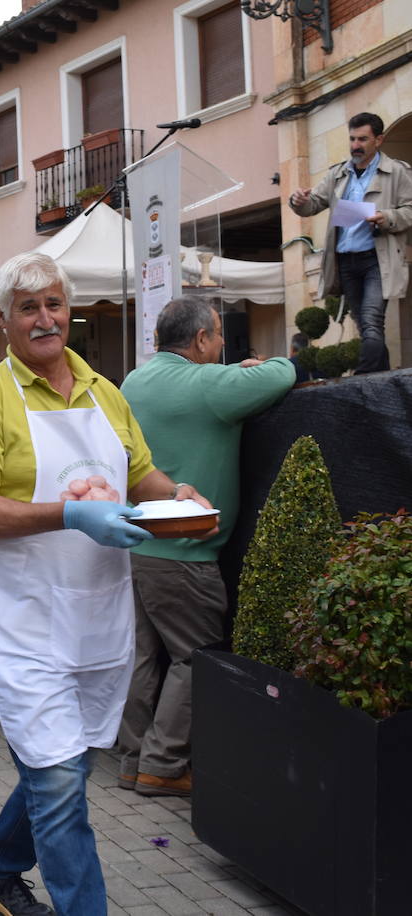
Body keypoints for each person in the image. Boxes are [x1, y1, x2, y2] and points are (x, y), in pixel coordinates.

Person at [0, 253, 213, 916]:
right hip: (18, 619)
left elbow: (139, 471)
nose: (44, 318)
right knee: (61, 777)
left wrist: (177, 497)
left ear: (70, 312)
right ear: (3, 320)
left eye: (54, 304)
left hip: (94, 611)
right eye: (28, 307)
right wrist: (69, 512)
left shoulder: (103, 391)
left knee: (59, 767)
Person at [118, 299, 295, 798]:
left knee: (144, 657)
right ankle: (163, 764)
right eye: (218, 337)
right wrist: (257, 365)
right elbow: (283, 373)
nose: (222, 347)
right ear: (199, 341)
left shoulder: (136, 381)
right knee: (195, 658)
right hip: (188, 557)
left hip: (142, 544)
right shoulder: (210, 386)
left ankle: (133, 760)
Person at [288, 112, 412, 374]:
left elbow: (410, 210)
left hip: (377, 259)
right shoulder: (338, 173)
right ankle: (383, 380)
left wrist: (386, 217)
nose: (355, 145)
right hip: (346, 259)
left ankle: (363, 377)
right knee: (366, 325)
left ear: (378, 140)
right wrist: (297, 201)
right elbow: (312, 204)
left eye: (362, 139)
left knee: (370, 320)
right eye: (352, 139)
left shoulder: (397, 171)